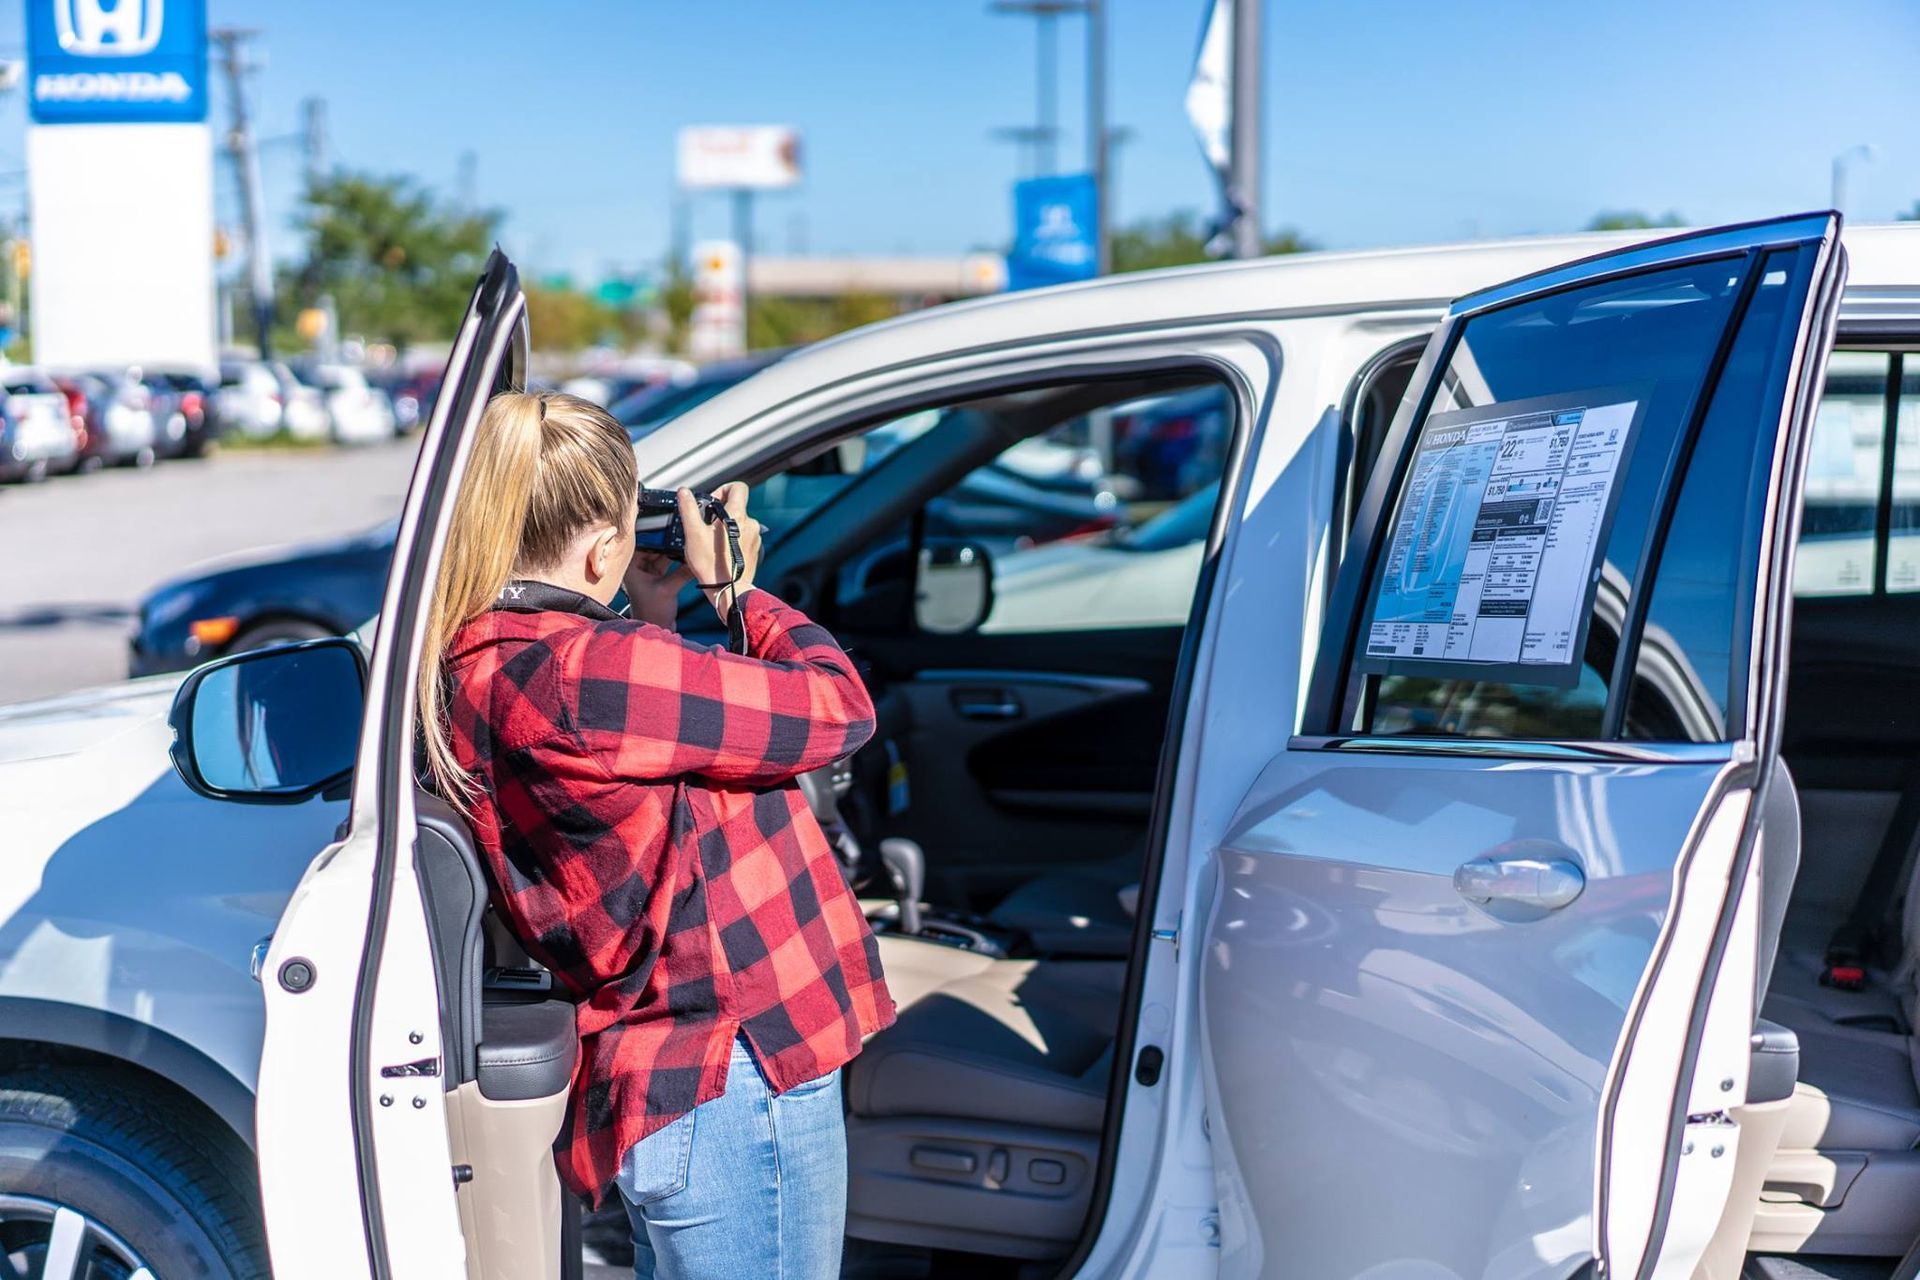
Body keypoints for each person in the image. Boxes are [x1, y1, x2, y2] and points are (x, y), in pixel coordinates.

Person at [418, 390, 895, 1279]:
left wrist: (654, 615)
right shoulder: (590, 670)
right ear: (604, 545)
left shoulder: (474, 660)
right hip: (734, 1073)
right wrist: (738, 592)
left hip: (667, 1072)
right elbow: (838, 709)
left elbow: (637, 787)